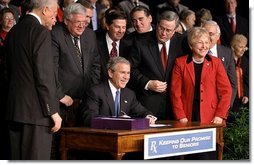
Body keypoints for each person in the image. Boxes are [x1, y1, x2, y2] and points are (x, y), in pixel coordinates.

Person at [4, 0, 62, 160]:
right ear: (45, 10)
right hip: (37, 115)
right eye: (54, 13)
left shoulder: (13, 32)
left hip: (14, 111)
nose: (55, 19)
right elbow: (44, 75)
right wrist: (52, 111)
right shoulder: (40, 32)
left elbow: (6, 73)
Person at [170, 27, 232, 159]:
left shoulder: (216, 63)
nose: (204, 46)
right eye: (200, 42)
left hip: (211, 119)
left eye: (206, 42)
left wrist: (220, 115)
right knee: (189, 156)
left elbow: (226, 92)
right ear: (191, 45)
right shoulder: (180, 63)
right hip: (188, 118)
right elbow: (175, 93)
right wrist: (181, 116)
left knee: (207, 156)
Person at [128, 11, 184, 120]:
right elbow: (131, 70)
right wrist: (147, 83)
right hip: (148, 105)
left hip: (175, 106)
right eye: (161, 28)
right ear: (157, 24)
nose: (163, 33)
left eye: (168, 30)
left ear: (175, 30)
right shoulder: (140, 42)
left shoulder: (182, 42)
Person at [82, 56, 157, 126]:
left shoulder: (129, 94)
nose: (126, 77)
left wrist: (149, 117)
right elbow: (90, 119)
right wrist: (118, 121)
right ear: (111, 73)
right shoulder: (95, 92)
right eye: (122, 72)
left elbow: (142, 112)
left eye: (128, 73)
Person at [202, 20, 237, 108]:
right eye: (204, 33)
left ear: (218, 36)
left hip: (221, 105)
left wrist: (227, 105)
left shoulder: (227, 53)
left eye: (211, 34)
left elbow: (232, 83)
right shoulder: (194, 52)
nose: (207, 37)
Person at [96, 9, 129, 82]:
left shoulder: (129, 45)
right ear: (107, 26)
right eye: (117, 27)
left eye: (123, 27)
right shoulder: (95, 43)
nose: (121, 31)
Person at [230, 34, 249, 114]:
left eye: (244, 47)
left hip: (242, 99)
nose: (243, 50)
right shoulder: (227, 59)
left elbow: (247, 80)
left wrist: (247, 95)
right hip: (230, 98)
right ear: (233, 47)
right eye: (241, 47)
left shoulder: (245, 61)